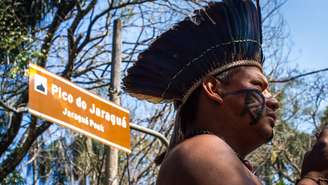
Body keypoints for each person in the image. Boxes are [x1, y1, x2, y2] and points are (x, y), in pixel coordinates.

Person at [123, 0, 328, 184]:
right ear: (214, 89)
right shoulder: (202, 150)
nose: (274, 102)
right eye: (258, 87)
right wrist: (314, 176)